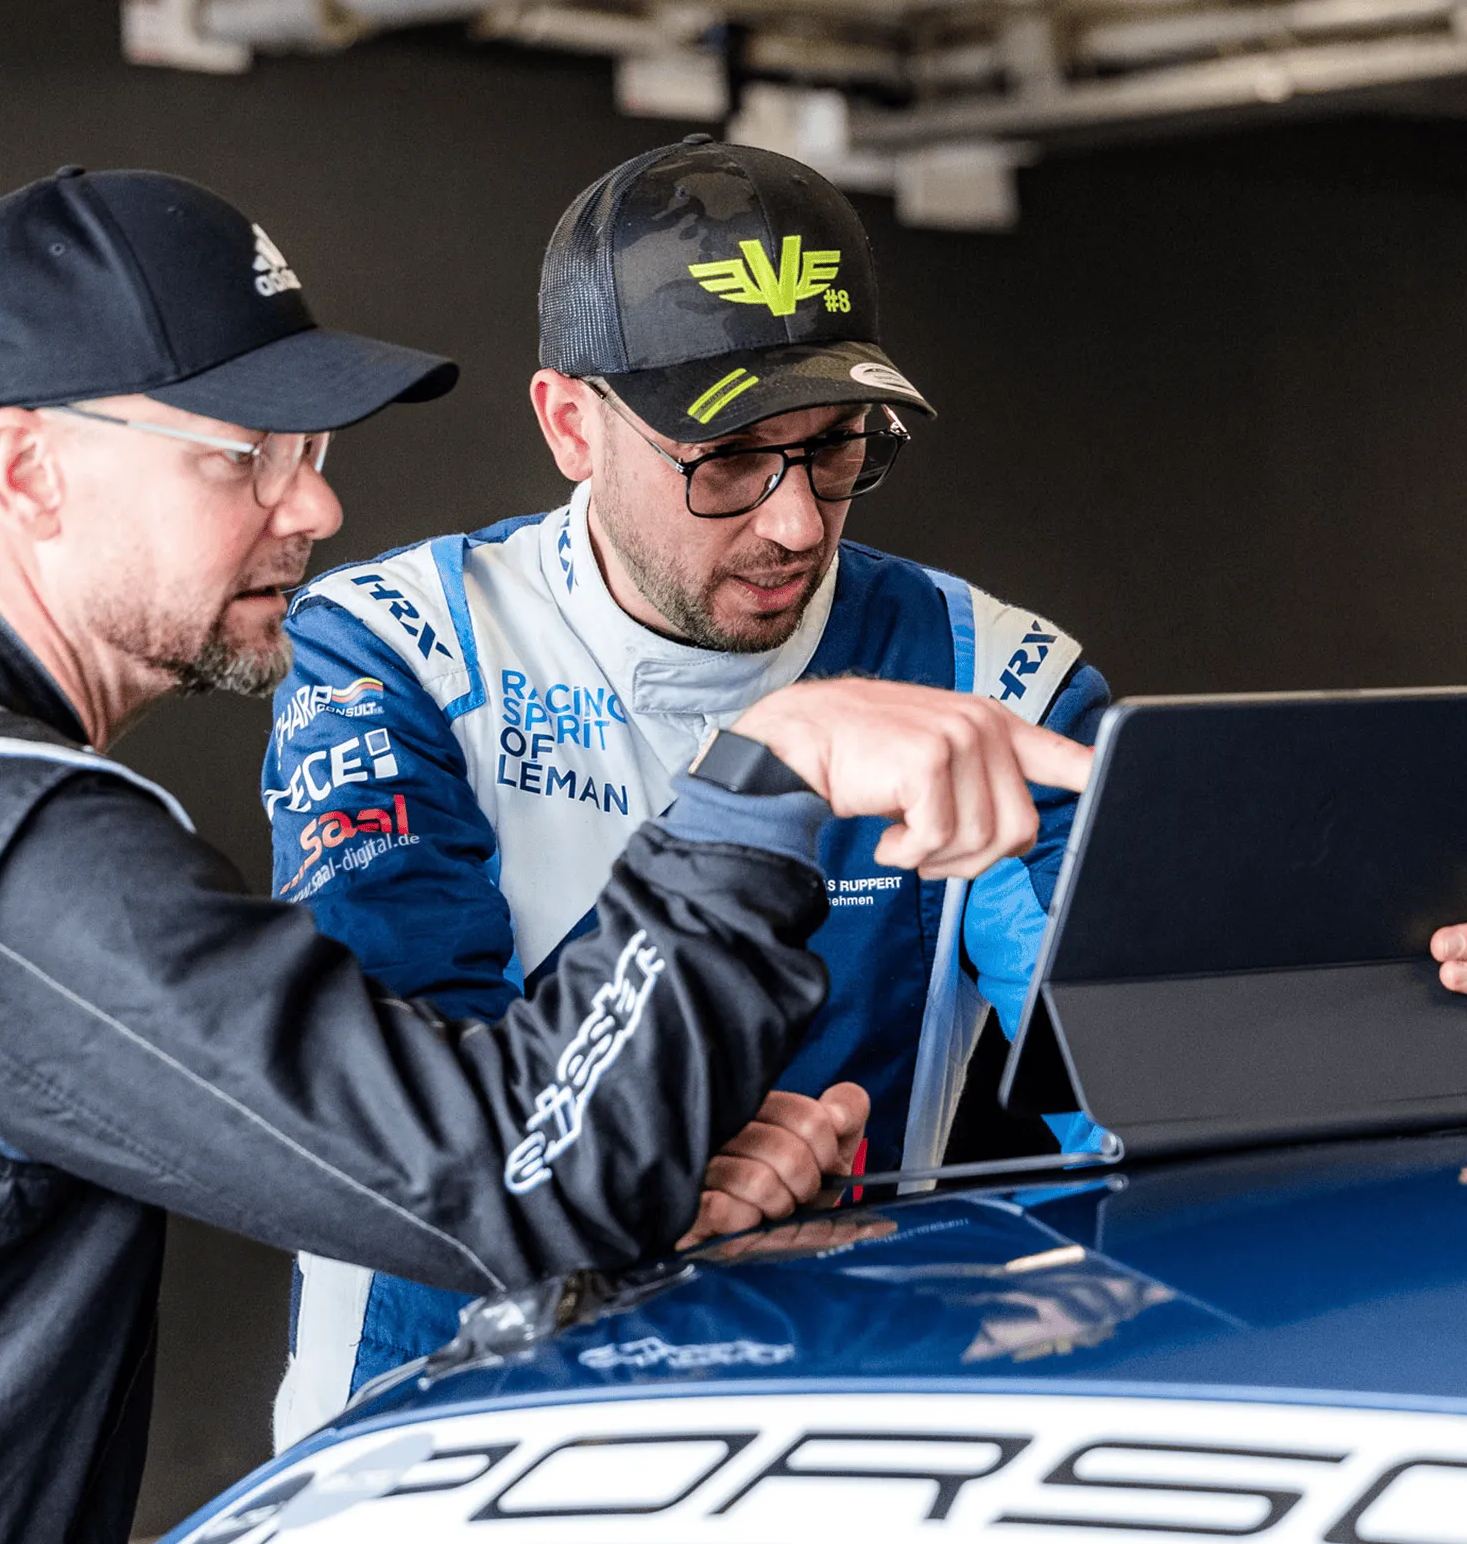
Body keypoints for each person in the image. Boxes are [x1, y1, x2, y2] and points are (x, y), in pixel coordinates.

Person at [0, 165, 1091, 1544]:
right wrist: (769, 773)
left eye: (313, 455)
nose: (315, 511)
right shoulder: (13, 845)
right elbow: (511, 1171)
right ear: (29, 470)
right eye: (247, 454)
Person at [267, 135, 1112, 1438]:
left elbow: (1134, 1084)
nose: (795, 523)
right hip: (446, 1420)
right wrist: (660, 1182)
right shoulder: (396, 646)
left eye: (836, 449)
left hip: (848, 1409)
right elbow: (405, 1127)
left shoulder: (994, 674)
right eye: (726, 460)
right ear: (569, 424)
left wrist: (1383, 996)